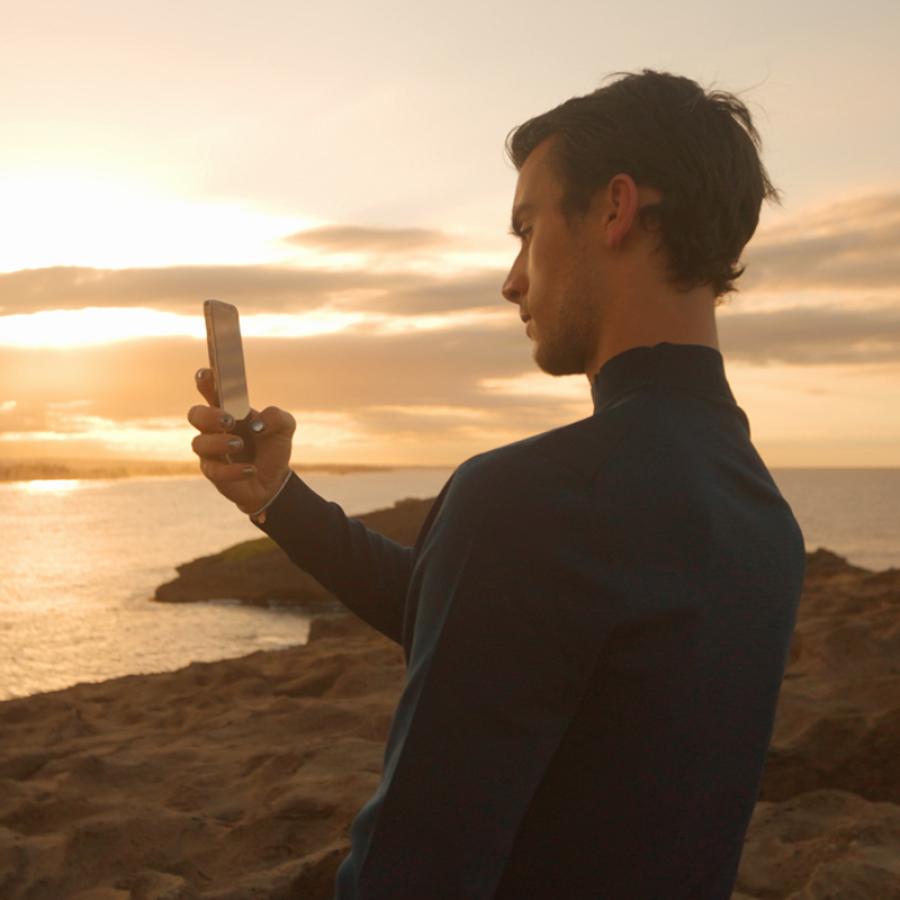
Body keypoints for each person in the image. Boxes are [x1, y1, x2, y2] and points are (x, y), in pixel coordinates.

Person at [188, 68, 806, 900]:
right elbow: (481, 618)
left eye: (525, 230)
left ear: (615, 209)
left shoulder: (536, 497)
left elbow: (416, 864)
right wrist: (280, 500)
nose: (512, 279)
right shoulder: (758, 510)